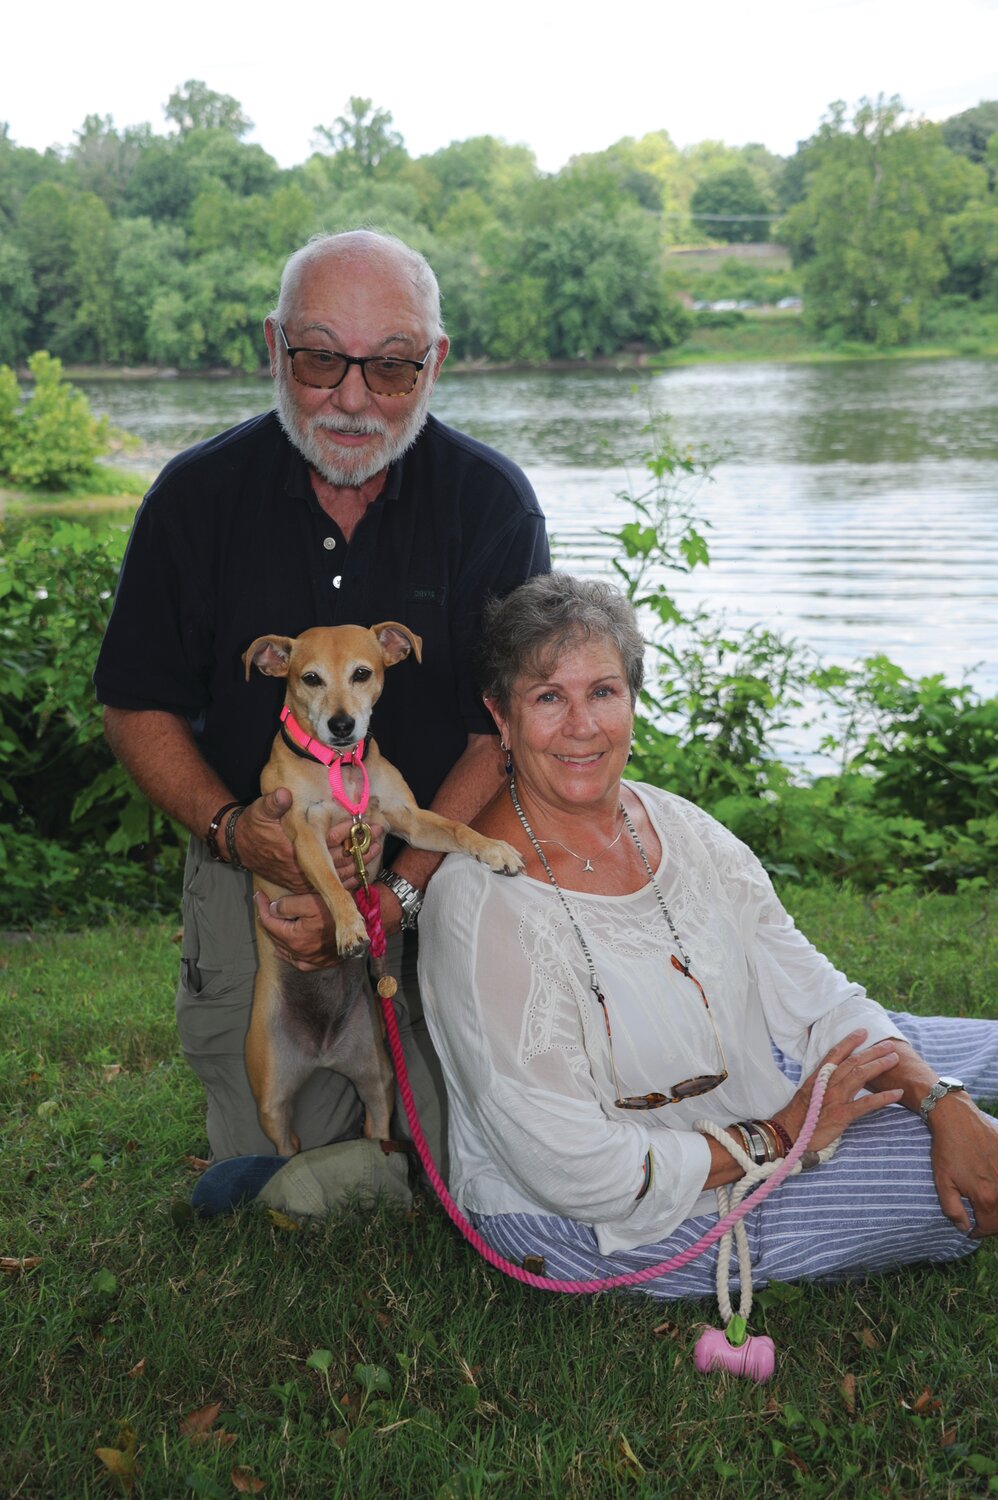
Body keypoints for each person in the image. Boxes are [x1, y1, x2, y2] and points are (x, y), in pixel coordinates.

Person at [94, 230, 550, 1206]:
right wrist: (234, 832)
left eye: (389, 366)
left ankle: (442, 1128)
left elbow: (500, 733)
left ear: (434, 362)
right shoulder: (194, 497)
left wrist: (401, 893)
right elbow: (137, 701)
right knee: (274, 1161)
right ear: (273, 349)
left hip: (431, 851)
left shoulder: (490, 502)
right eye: (317, 358)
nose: (352, 397)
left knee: (465, 1152)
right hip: (255, 846)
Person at [417, 573, 998, 1297]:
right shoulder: (480, 909)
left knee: (978, 1067)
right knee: (959, 1173)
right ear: (499, 718)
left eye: (602, 691)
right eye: (547, 698)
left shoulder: (681, 827)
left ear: (631, 701)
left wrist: (943, 1098)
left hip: (745, 1074)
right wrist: (782, 1134)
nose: (582, 725)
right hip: (596, 1214)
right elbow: (576, 1169)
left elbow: (815, 998)